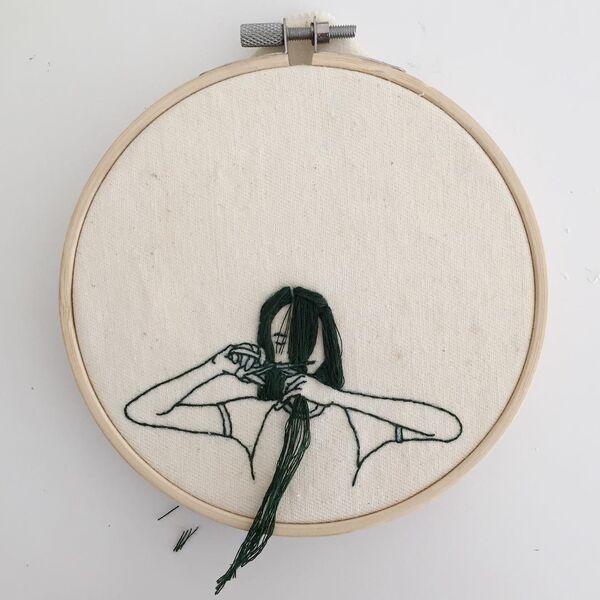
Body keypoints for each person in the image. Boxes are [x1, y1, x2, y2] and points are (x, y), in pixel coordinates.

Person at [124, 286, 462, 592]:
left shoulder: (354, 418)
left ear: (327, 346)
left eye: (302, 341)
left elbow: (446, 428)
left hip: (349, 567)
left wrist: (337, 398)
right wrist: (214, 366)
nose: (288, 356)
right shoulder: (253, 414)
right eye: (278, 343)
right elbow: (144, 412)